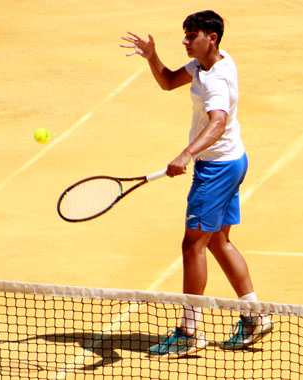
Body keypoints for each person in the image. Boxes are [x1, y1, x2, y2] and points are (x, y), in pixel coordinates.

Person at [121, 10, 272, 358]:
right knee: (218, 240)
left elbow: (217, 122)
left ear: (212, 38)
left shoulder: (215, 80)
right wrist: (152, 57)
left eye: (192, 36)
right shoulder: (209, 64)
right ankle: (254, 316)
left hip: (216, 169)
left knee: (193, 246)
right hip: (234, 160)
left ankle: (189, 331)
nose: (186, 41)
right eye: (185, 35)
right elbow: (168, 81)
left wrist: (187, 154)